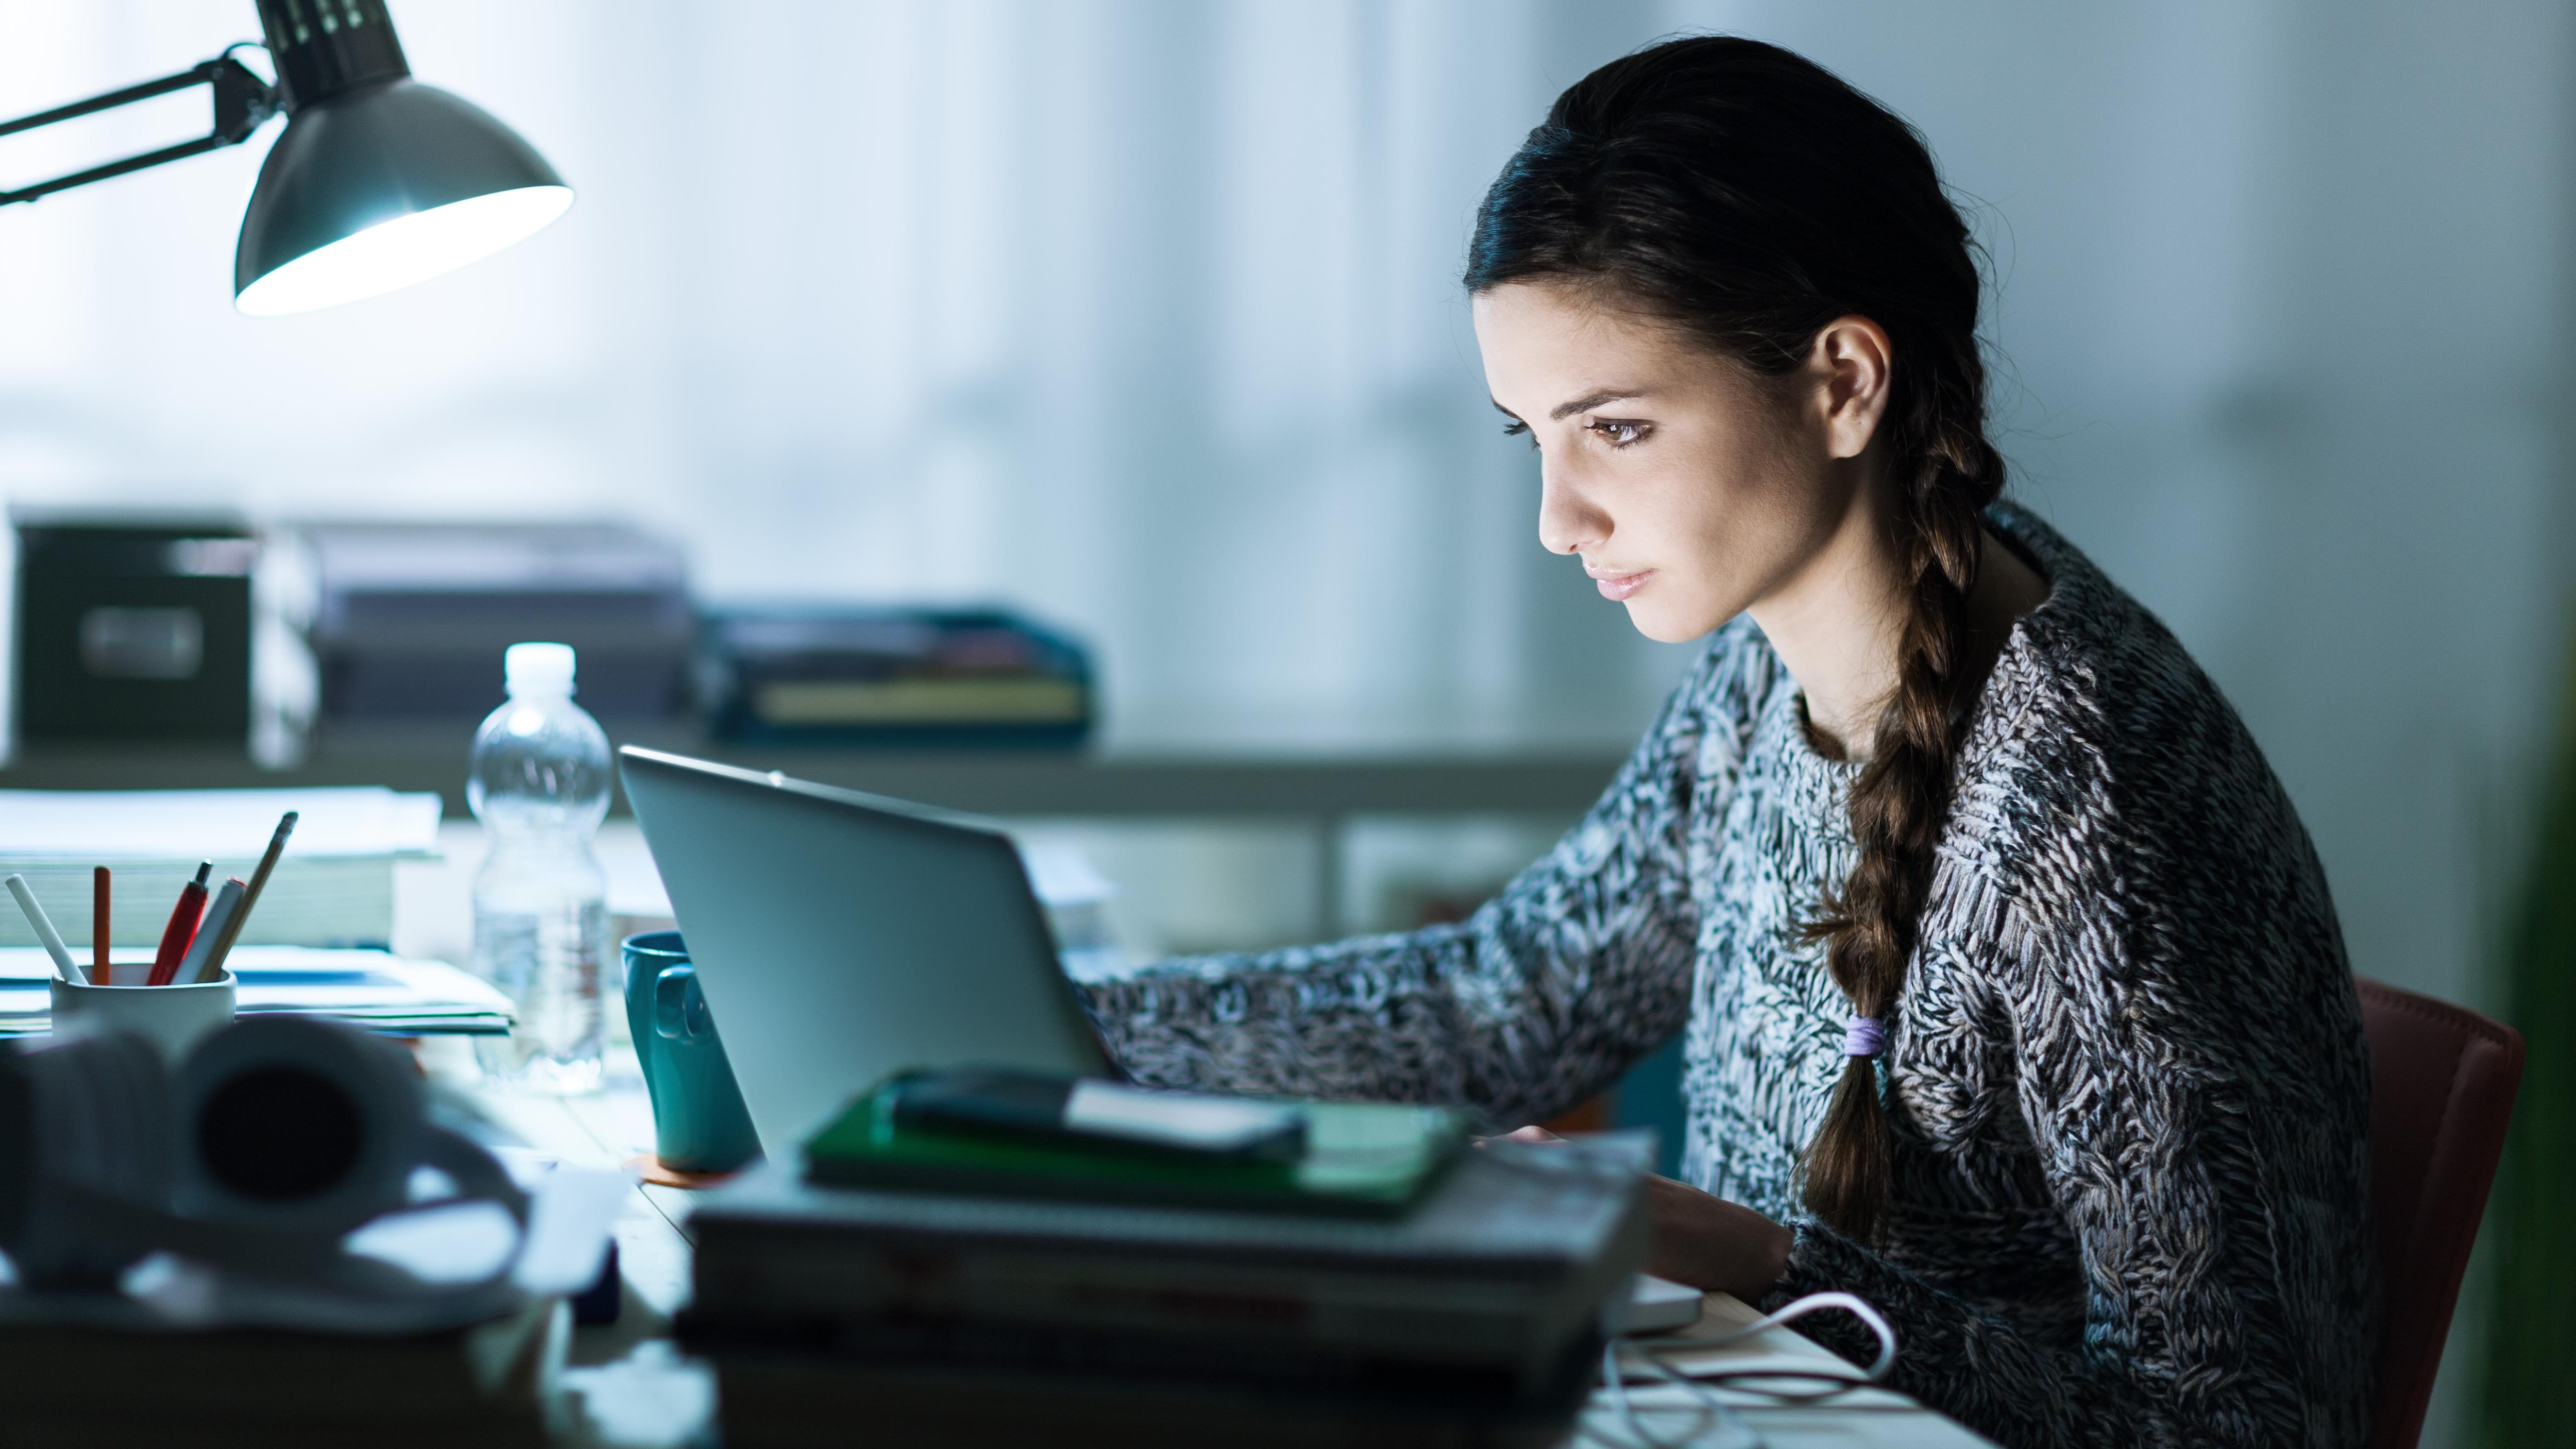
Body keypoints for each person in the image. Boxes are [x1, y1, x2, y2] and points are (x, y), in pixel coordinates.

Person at [1076, 35, 2374, 1449]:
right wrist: (1063, 1027)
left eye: (1617, 429)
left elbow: (2241, 1432)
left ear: (1840, 383)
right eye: (1536, 439)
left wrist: (1764, 1266)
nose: (1559, 521)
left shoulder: (2092, 817)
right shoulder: (1783, 664)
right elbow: (1510, 1001)